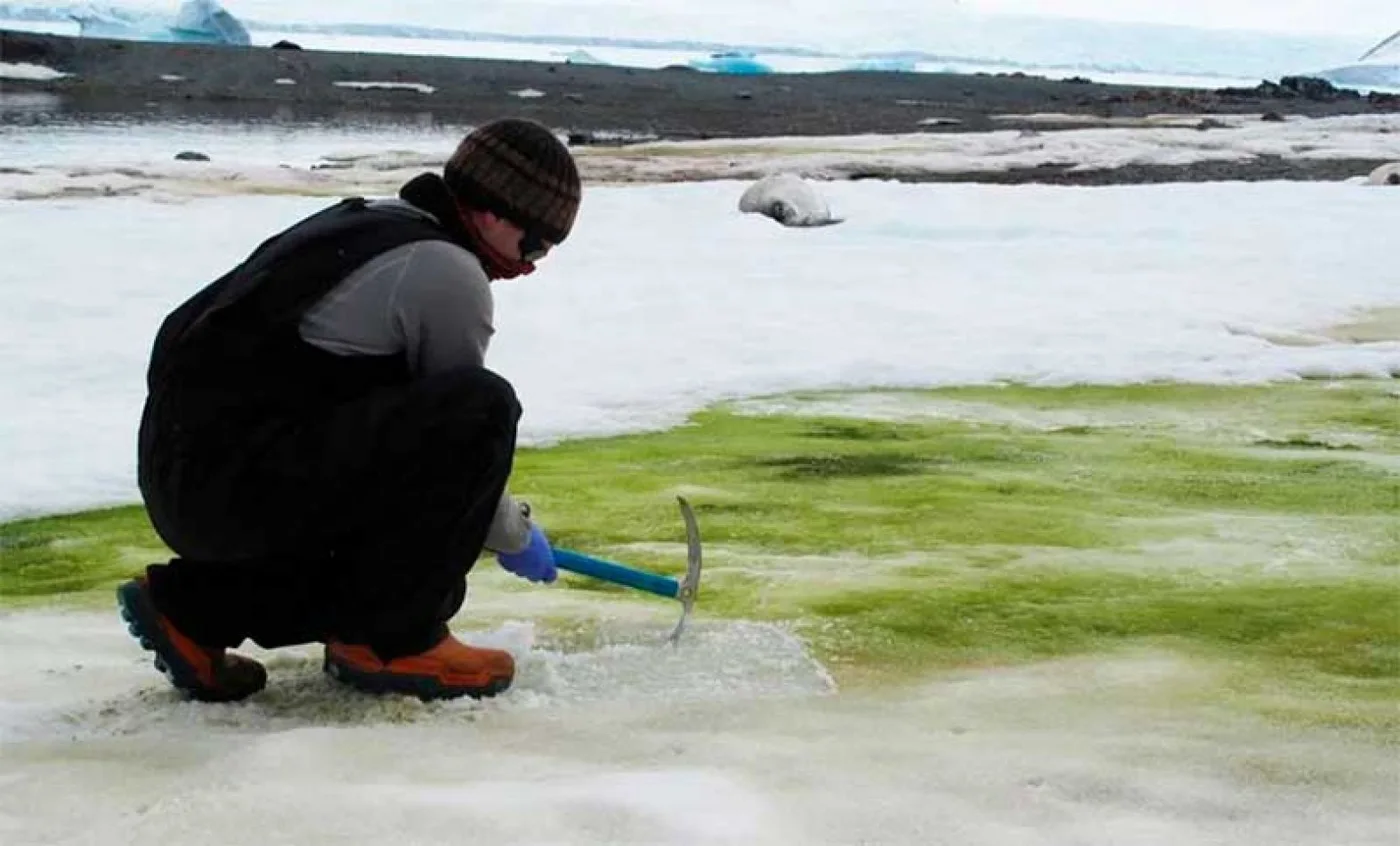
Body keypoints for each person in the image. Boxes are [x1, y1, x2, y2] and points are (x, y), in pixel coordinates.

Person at [115, 118, 582, 703]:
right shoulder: (446, 271)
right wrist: (513, 533)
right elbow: (460, 443)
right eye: (534, 243)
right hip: (234, 481)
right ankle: (395, 640)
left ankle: (191, 611)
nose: (532, 264)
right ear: (492, 212)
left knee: (391, 531)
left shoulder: (371, 224)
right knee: (483, 409)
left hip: (193, 474)